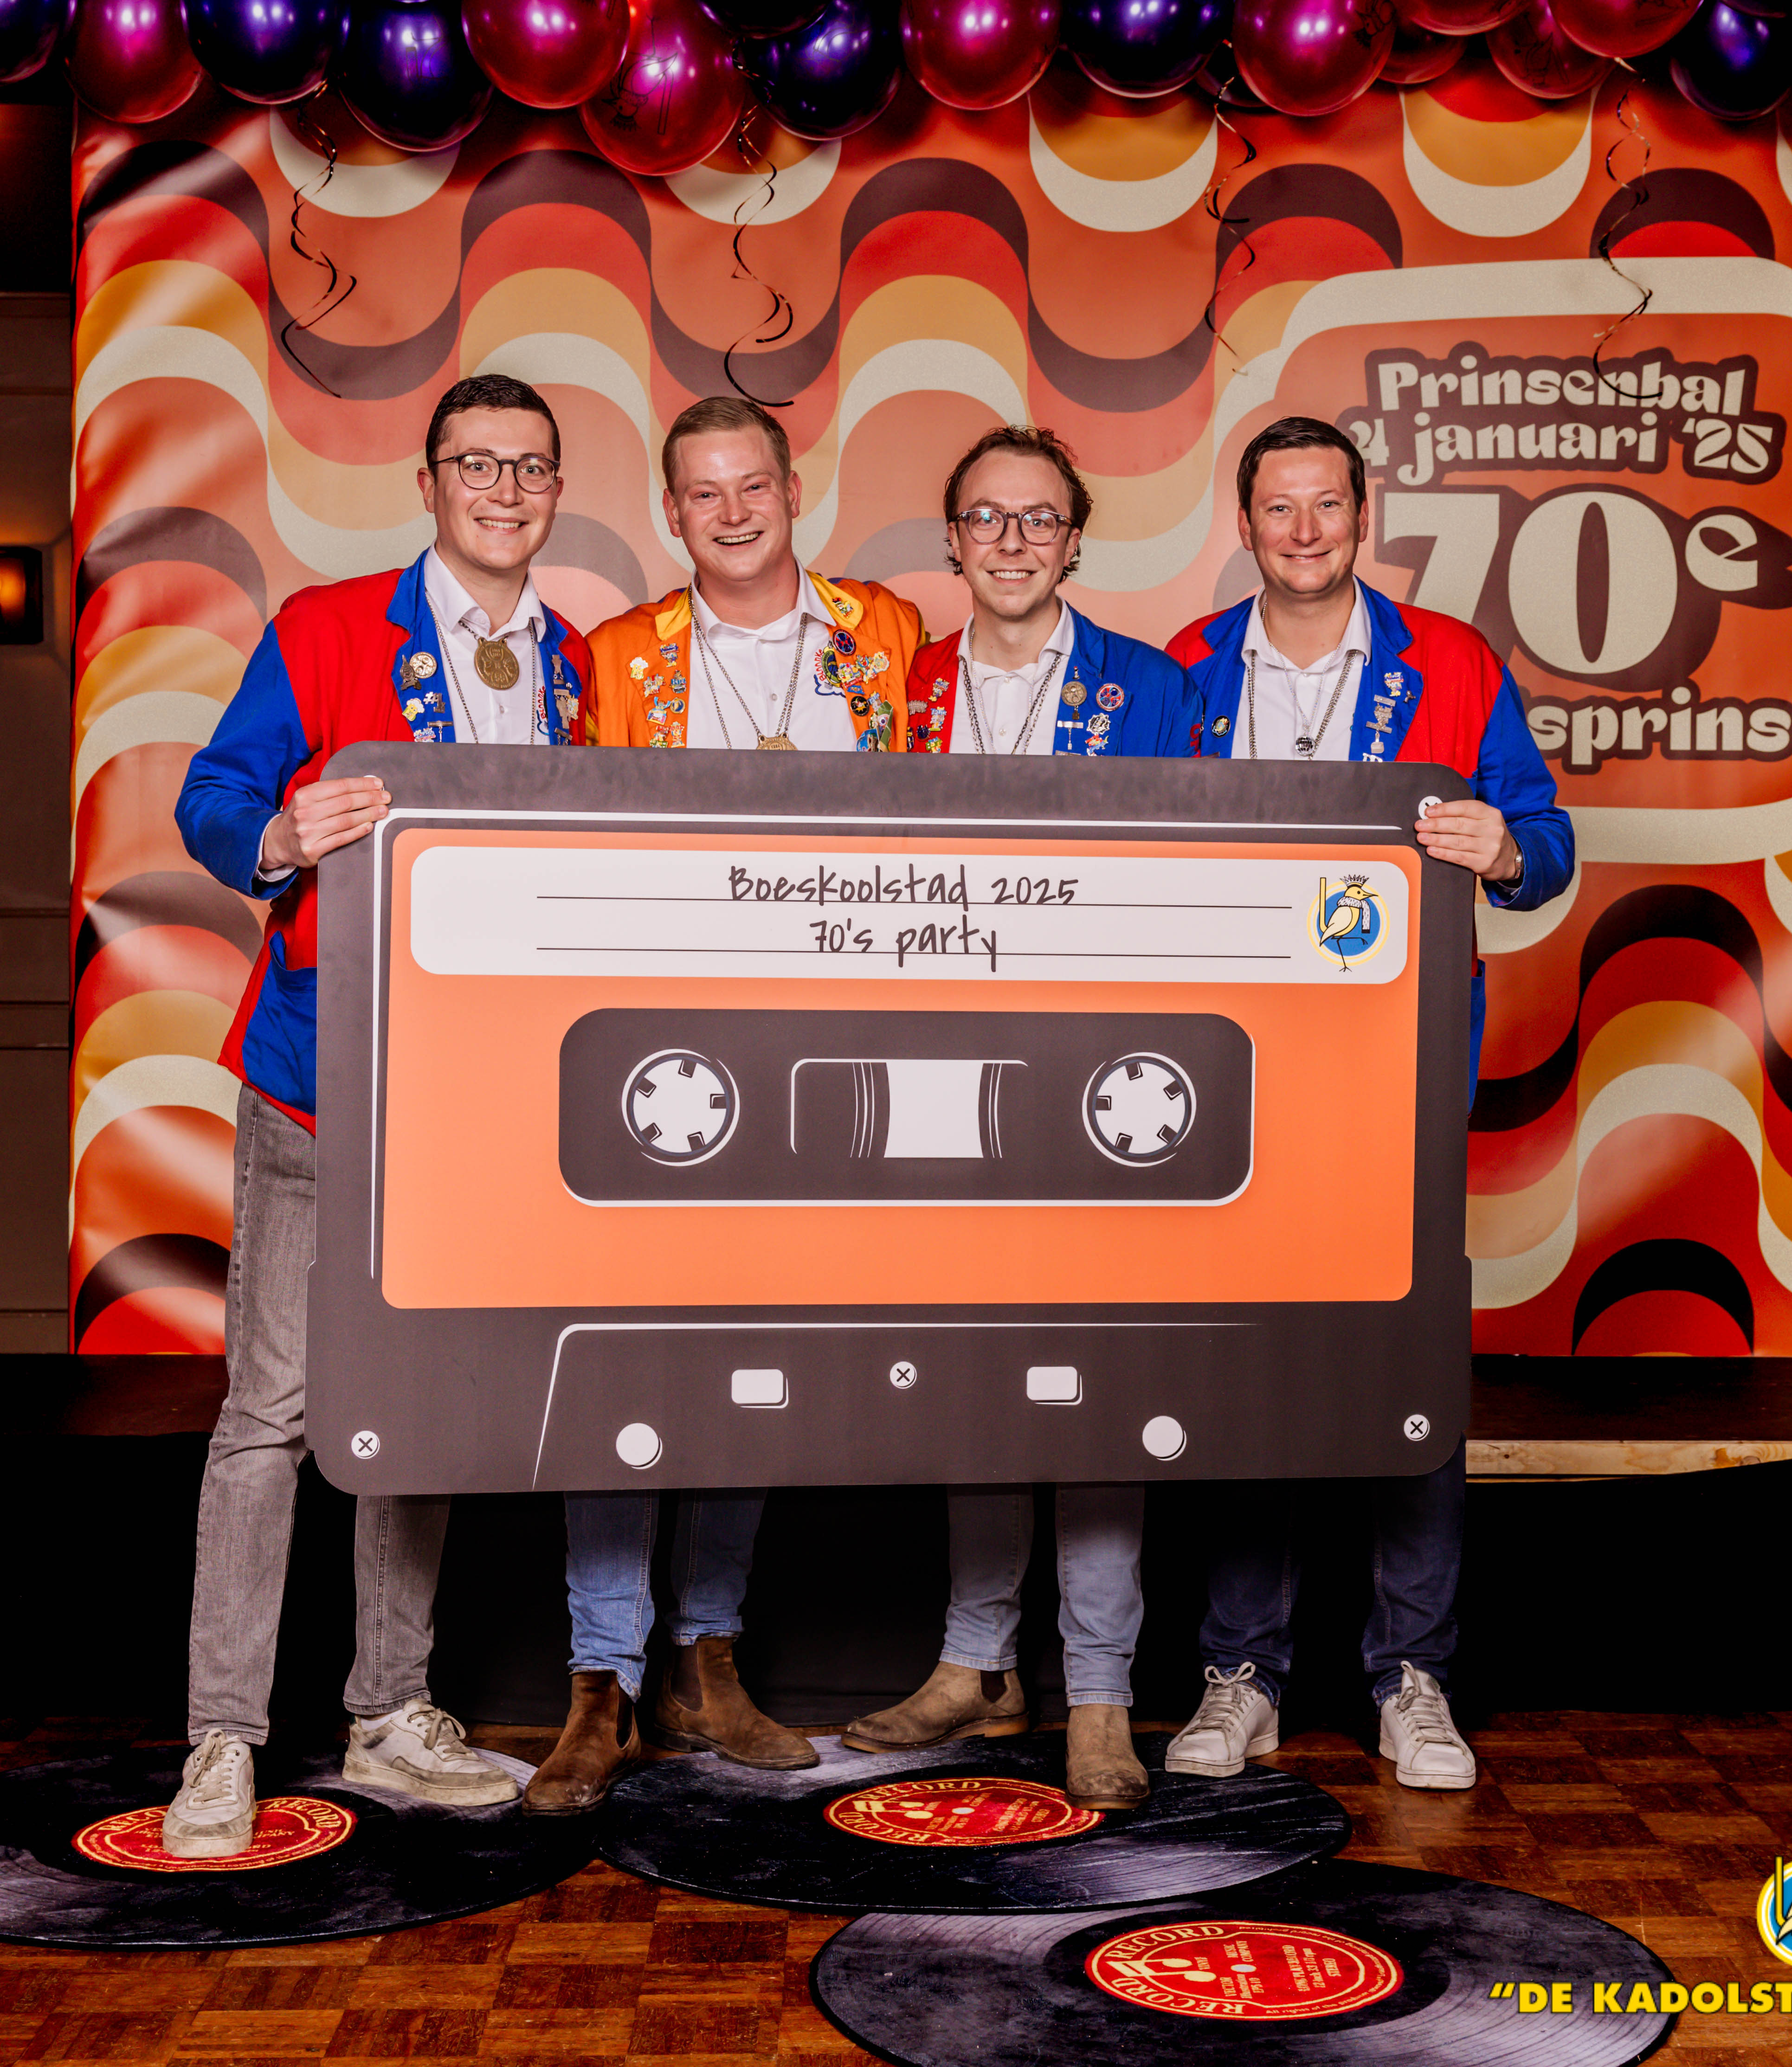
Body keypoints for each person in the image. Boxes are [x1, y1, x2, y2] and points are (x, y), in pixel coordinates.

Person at [166, 373, 590, 1857]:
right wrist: (282, 831)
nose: (504, 490)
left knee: (411, 1411)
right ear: (429, 482)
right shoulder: (329, 627)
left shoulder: (573, 668)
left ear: (555, 491)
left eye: (529, 467)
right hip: (317, 1079)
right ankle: (222, 1740)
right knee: (271, 1414)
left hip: (469, 1102)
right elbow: (211, 795)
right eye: (478, 464)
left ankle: (389, 1710)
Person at [524, 396, 925, 1816]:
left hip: (817, 1053)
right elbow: (577, 847)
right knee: (624, 1366)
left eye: (753, 484)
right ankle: (601, 1684)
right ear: (671, 512)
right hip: (657, 1060)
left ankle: (709, 1662)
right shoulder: (620, 656)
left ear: (794, 488)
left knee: (750, 1366)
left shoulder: (886, 635)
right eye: (705, 493)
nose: (734, 511)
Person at [1162, 413, 1573, 1791]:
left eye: (1326, 505)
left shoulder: (1450, 661)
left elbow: (1548, 843)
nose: (1303, 531)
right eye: (1278, 509)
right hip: (1233, 1075)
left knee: (1406, 1371)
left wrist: (1504, 845)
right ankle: (1243, 1675)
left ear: (1362, 514)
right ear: (1245, 525)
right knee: (1245, 1371)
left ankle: (1414, 1677)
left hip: (1399, 1073)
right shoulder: (1185, 671)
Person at [843, 425, 1201, 1812]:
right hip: (943, 1075)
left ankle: (1098, 1695)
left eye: (1038, 519)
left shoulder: (1152, 688)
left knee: (1092, 1385)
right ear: (951, 541)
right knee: (978, 1378)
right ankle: (975, 1664)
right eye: (986, 518)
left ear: (1075, 542)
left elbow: (1189, 887)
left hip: (1100, 1081)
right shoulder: (903, 688)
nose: (1010, 541)